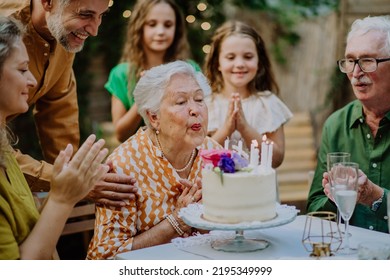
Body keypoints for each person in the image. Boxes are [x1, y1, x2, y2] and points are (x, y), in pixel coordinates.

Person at [3, 0, 137, 207]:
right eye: (85, 15)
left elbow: (59, 117)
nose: (94, 31)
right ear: (48, 2)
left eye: (101, 16)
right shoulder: (5, 28)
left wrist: (80, 176)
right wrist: (73, 182)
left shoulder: (62, 31)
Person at [0, 16, 109, 259]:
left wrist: (64, 185)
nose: (32, 80)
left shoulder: (5, 151)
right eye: (22, 69)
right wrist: (62, 198)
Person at [87, 61, 221, 259]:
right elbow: (106, 256)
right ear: (153, 117)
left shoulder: (214, 153)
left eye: (199, 99)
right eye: (181, 102)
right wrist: (177, 221)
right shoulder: (124, 165)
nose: (196, 110)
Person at [307, 15, 390, 233]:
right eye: (350, 61)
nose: (355, 73)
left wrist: (376, 197)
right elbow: (315, 212)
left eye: (368, 61)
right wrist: (334, 197)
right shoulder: (336, 125)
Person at [106, 0, 200, 142]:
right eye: (152, 24)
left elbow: (200, 121)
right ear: (139, 27)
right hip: (138, 159)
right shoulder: (121, 74)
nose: (161, 31)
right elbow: (121, 135)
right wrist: (144, 96)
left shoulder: (189, 69)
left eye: (168, 25)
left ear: (177, 29)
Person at [203, 21, 292, 168]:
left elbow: (276, 159)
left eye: (248, 56)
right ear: (217, 62)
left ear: (259, 62)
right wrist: (227, 129)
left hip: (258, 190)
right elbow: (199, 156)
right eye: (230, 57)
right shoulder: (207, 105)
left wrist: (245, 128)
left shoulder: (268, 103)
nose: (239, 64)